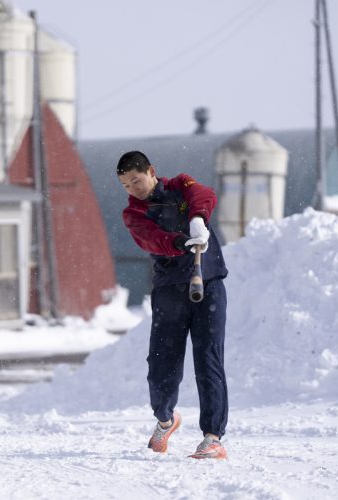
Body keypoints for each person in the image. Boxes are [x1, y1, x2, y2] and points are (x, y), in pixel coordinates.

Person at [116, 150, 229, 459]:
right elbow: (150, 239)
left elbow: (203, 195)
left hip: (209, 284)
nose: (133, 189)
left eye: (136, 180)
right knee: (161, 364)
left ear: (151, 171)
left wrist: (196, 219)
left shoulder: (181, 186)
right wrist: (180, 242)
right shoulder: (134, 214)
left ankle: (213, 437)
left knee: (209, 360)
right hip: (169, 290)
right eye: (126, 185)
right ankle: (166, 420)